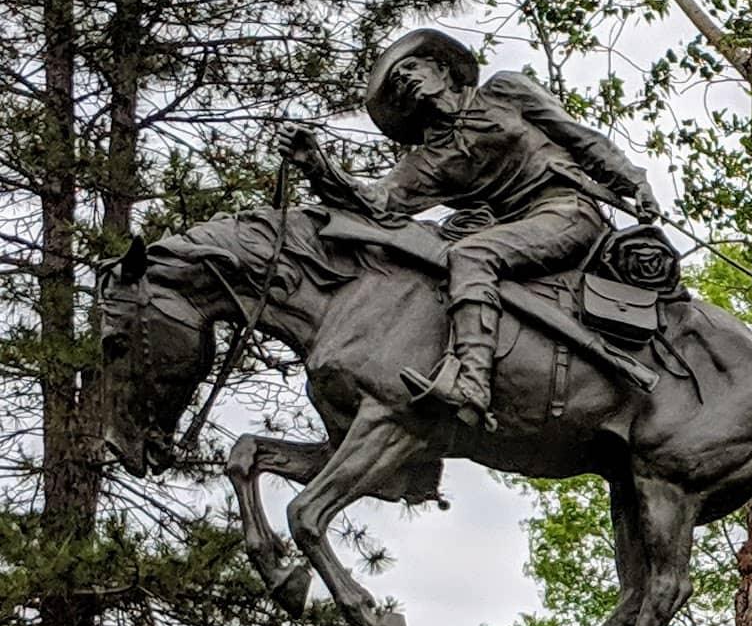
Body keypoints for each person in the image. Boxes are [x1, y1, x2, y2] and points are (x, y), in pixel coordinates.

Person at [276, 28, 660, 429]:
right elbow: (375, 202)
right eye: (396, 82)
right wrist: (318, 165)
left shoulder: (505, 91)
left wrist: (634, 183)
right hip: (513, 229)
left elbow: (580, 138)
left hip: (566, 211)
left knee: (472, 255)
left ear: (443, 69)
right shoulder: (427, 161)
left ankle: (472, 381)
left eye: (411, 67)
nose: (404, 78)